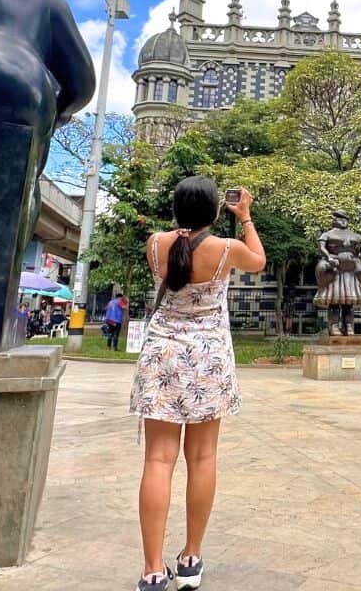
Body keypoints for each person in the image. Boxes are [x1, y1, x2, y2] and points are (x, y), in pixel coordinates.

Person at [130, 176, 266, 591]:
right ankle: (190, 558)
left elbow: (176, 257)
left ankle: (153, 569)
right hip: (207, 359)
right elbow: (259, 259)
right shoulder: (225, 250)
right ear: (213, 211)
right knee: (202, 459)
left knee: (157, 460)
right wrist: (244, 218)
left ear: (176, 208)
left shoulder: (155, 244)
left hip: (161, 356)